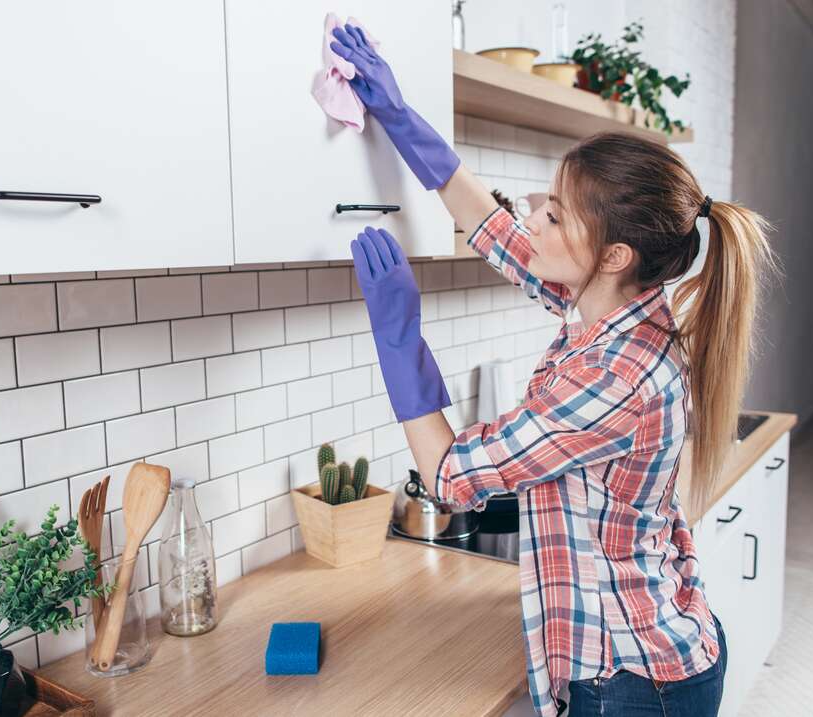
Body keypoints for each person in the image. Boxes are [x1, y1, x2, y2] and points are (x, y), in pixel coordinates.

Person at [331, 23, 777, 717]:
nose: (532, 216)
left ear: (614, 255)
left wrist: (398, 339)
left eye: (556, 214)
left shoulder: (613, 378)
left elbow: (450, 477)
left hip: (632, 681)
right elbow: (494, 227)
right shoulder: (614, 304)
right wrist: (397, 112)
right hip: (652, 648)